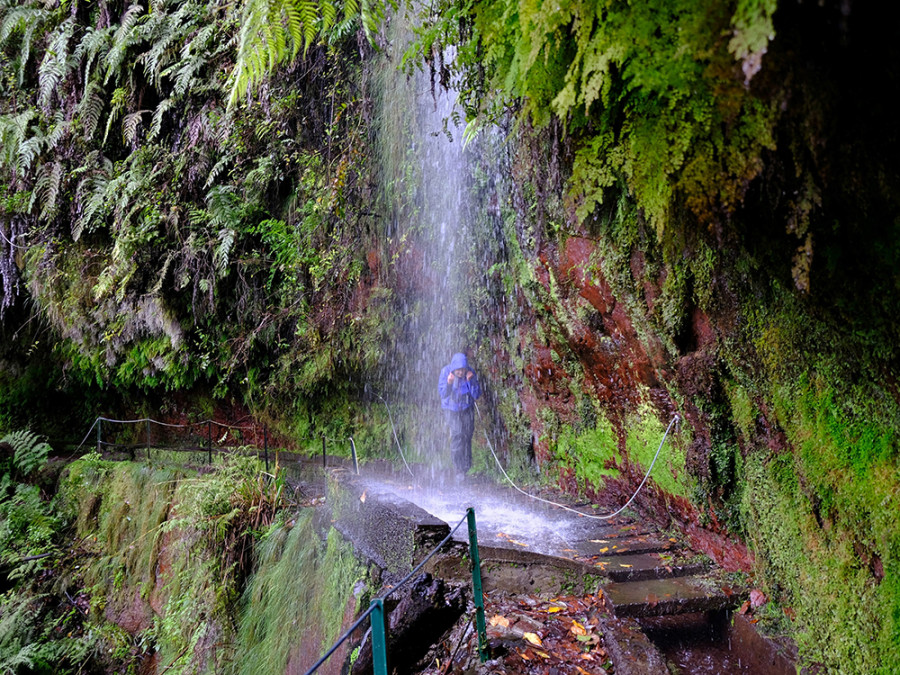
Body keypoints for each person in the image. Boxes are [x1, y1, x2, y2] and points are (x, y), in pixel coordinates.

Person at [437, 352, 482, 479]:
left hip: (467, 407)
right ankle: (458, 468)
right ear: (454, 368)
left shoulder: (470, 373)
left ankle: (466, 467)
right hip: (450, 409)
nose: (461, 373)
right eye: (458, 370)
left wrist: (471, 381)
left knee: (467, 435)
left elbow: (477, 394)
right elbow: (443, 394)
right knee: (457, 434)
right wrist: (449, 383)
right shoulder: (446, 372)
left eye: (463, 370)